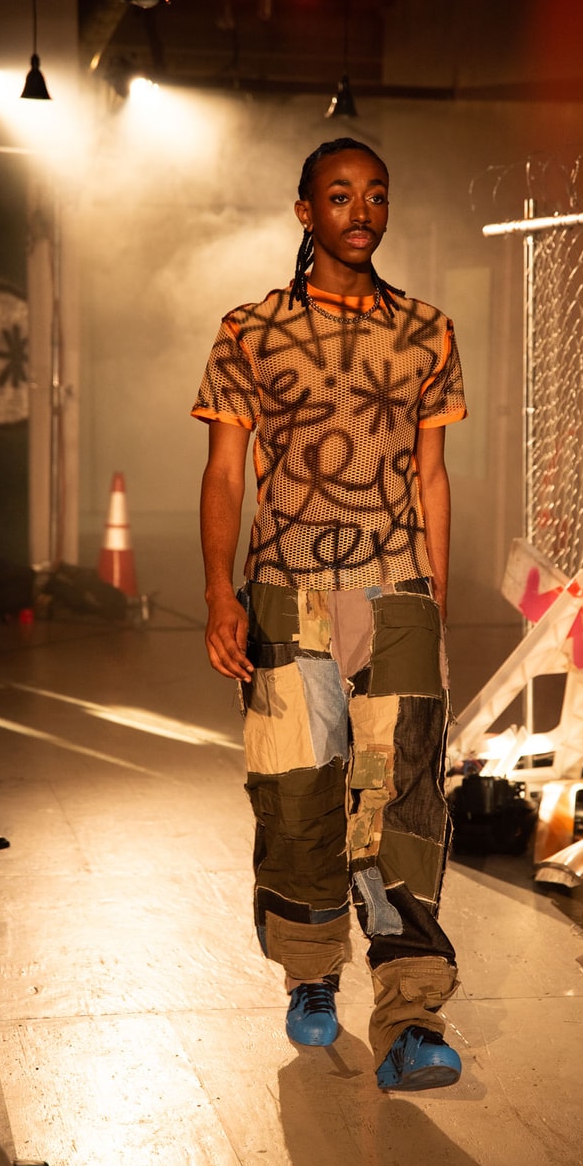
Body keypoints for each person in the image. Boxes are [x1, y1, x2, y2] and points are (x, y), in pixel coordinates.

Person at [192, 137, 467, 1091]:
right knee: (298, 793)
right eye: (341, 195)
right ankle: (311, 973)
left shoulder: (427, 331)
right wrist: (219, 591)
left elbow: (432, 475)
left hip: (395, 591)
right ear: (305, 212)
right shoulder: (251, 331)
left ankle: (411, 1013)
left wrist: (434, 599)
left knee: (401, 802)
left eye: (377, 195)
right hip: (286, 592)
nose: (362, 211)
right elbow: (224, 470)